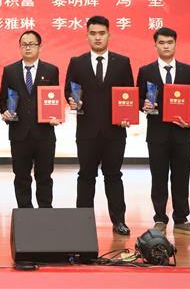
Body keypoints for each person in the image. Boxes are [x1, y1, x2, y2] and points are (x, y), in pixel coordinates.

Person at [64, 15, 134, 235]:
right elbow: (69, 90)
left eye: (101, 33)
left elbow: (129, 93)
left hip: (115, 131)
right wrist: (72, 100)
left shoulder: (122, 62)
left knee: (114, 176)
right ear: (87, 36)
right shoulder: (77, 62)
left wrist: (127, 115)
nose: (97, 37)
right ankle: (82, 222)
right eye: (93, 33)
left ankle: (119, 221)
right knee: (86, 176)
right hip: (87, 131)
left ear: (109, 35)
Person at [135, 27, 190, 236]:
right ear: (155, 45)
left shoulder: (188, 71)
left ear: (175, 44)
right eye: (161, 43)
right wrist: (143, 105)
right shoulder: (146, 71)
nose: (166, 46)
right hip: (157, 134)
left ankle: (181, 219)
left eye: (169, 42)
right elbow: (138, 98)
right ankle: (160, 218)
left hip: (182, 134)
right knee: (159, 178)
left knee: (182, 177)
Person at [0, 30, 61, 208]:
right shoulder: (10, 71)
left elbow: (54, 99)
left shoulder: (51, 70)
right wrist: (5, 112)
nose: (28, 48)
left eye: (32, 44)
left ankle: (45, 212)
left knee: (44, 176)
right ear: (19, 47)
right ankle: (25, 213)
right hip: (19, 133)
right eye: (24, 44)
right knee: (21, 177)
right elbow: (3, 100)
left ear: (40, 47)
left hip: (44, 133)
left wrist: (55, 115)